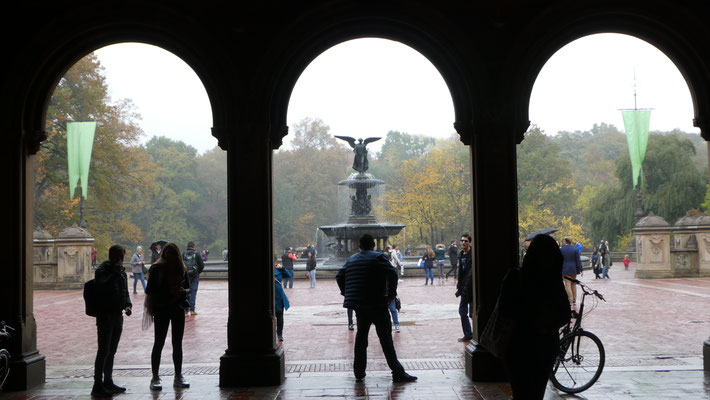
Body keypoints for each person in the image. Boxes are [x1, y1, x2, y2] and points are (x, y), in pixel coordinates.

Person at [336, 234, 417, 383]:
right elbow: (392, 272)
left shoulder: (352, 259)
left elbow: (340, 275)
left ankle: (359, 372)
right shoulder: (378, 257)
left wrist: (346, 292)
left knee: (361, 338)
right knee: (385, 339)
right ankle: (397, 372)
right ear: (373, 244)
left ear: (359, 246)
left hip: (360, 304)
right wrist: (391, 294)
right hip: (377, 303)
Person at [502, 234, 571, 399]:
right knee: (537, 391)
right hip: (545, 344)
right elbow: (565, 314)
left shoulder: (514, 277)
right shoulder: (553, 283)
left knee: (520, 391)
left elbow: (504, 310)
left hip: (517, 343)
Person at [144, 242, 191, 390]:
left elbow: (188, 288)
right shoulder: (157, 269)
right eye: (168, 254)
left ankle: (178, 375)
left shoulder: (181, 269)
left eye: (173, 254)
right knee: (159, 342)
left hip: (176, 308)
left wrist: (183, 292)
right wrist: (168, 294)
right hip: (162, 308)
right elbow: (150, 289)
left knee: (177, 343)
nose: (170, 257)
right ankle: (155, 376)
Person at [91, 245, 132, 398]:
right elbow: (102, 287)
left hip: (117, 315)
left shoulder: (122, 273)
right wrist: (115, 272)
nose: (120, 259)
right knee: (103, 350)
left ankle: (108, 381)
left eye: (121, 256)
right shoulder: (102, 271)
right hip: (104, 315)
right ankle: (97, 384)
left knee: (112, 350)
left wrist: (128, 305)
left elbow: (125, 292)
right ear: (110, 256)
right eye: (117, 256)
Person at [455, 233, 473, 342]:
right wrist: (459, 286)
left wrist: (466, 286)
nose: (463, 243)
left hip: (470, 288)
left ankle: (470, 334)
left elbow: (470, 273)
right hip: (463, 288)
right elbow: (461, 272)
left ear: (469, 242)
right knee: (463, 311)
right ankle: (468, 334)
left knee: (470, 312)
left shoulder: (472, 254)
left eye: (466, 241)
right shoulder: (461, 254)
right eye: (462, 241)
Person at [183, 242, 204, 316]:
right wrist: (197, 272)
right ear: (193, 247)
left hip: (185, 276)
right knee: (193, 292)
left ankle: (185, 309)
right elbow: (201, 265)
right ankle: (192, 310)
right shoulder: (197, 254)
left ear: (187, 247)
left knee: (186, 291)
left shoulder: (183, 254)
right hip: (194, 276)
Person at [560, 237, 583, 307]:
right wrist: (581, 269)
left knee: (567, 285)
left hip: (565, 270)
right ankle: (574, 300)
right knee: (573, 285)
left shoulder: (562, 249)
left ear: (565, 241)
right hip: (573, 270)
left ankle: (570, 300)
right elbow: (578, 260)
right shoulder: (575, 249)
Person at [274, 263, 291, 341]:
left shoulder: (279, 270)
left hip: (279, 297)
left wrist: (282, 267)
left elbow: (288, 275)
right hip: (270, 297)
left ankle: (279, 334)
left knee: (280, 316)